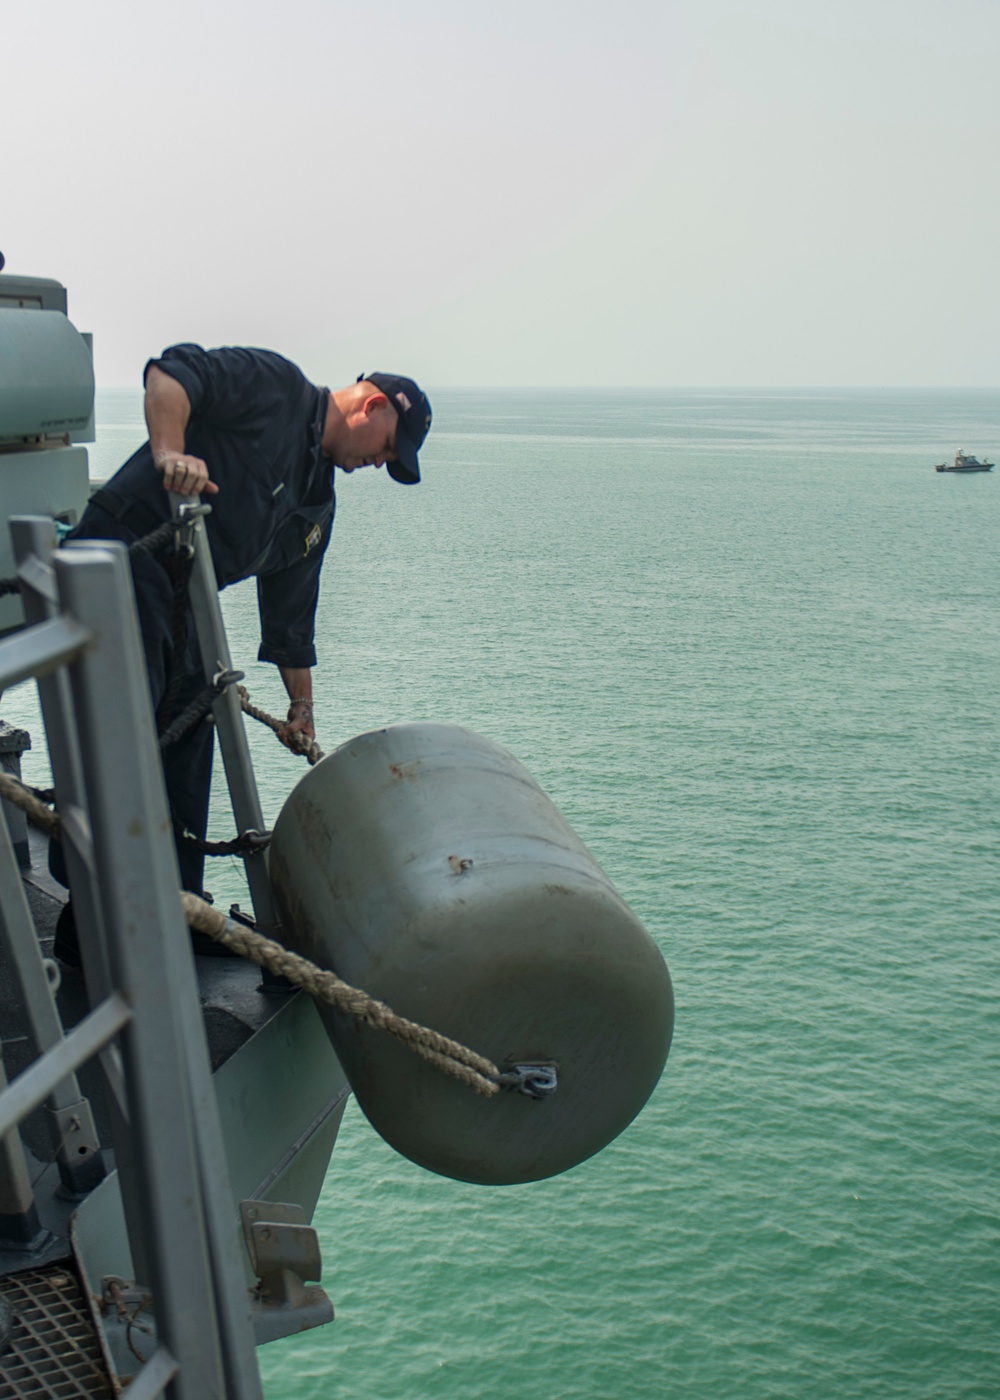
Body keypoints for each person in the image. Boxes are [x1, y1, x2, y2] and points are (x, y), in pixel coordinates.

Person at [63, 342, 432, 901]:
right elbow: (171, 373)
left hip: (183, 599)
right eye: (387, 448)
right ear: (373, 404)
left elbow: (292, 619)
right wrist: (169, 452)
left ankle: (180, 912)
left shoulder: (316, 504)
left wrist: (302, 707)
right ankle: (93, 920)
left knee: (189, 736)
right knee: (130, 736)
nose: (380, 464)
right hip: (124, 555)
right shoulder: (275, 385)